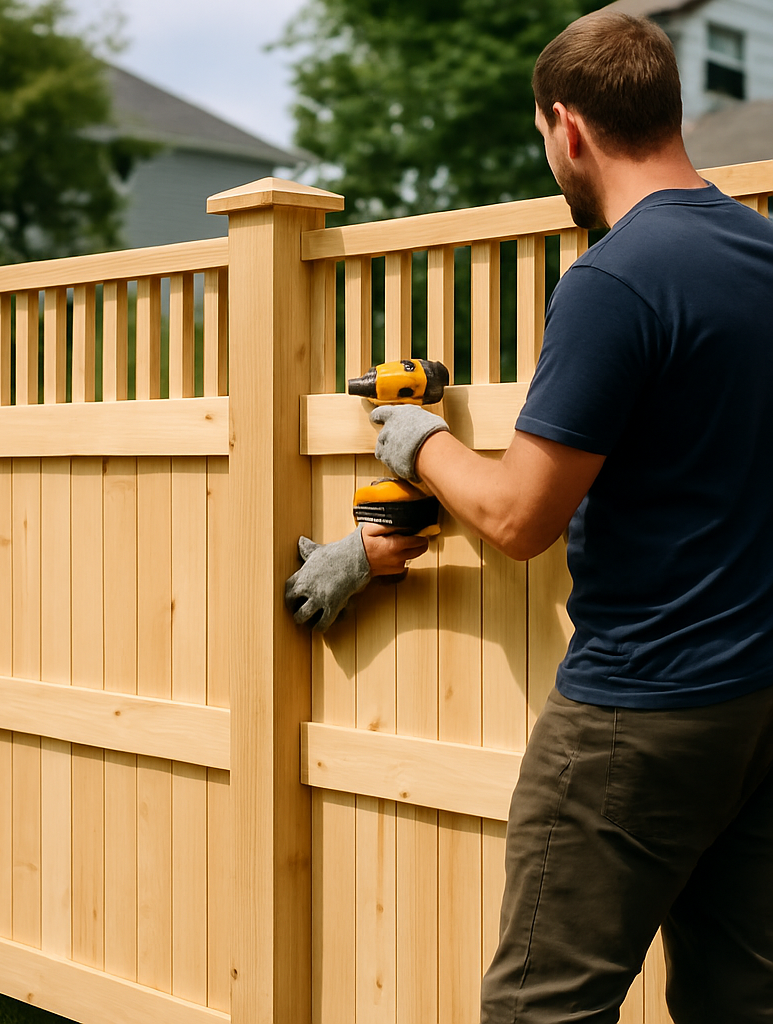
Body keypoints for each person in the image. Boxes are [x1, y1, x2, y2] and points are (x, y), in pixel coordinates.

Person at [287, 11, 773, 1022]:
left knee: (539, 1009)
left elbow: (517, 518)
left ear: (567, 128)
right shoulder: (758, 256)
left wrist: (417, 438)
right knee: (741, 1001)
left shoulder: (616, 279)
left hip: (638, 712)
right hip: (757, 704)